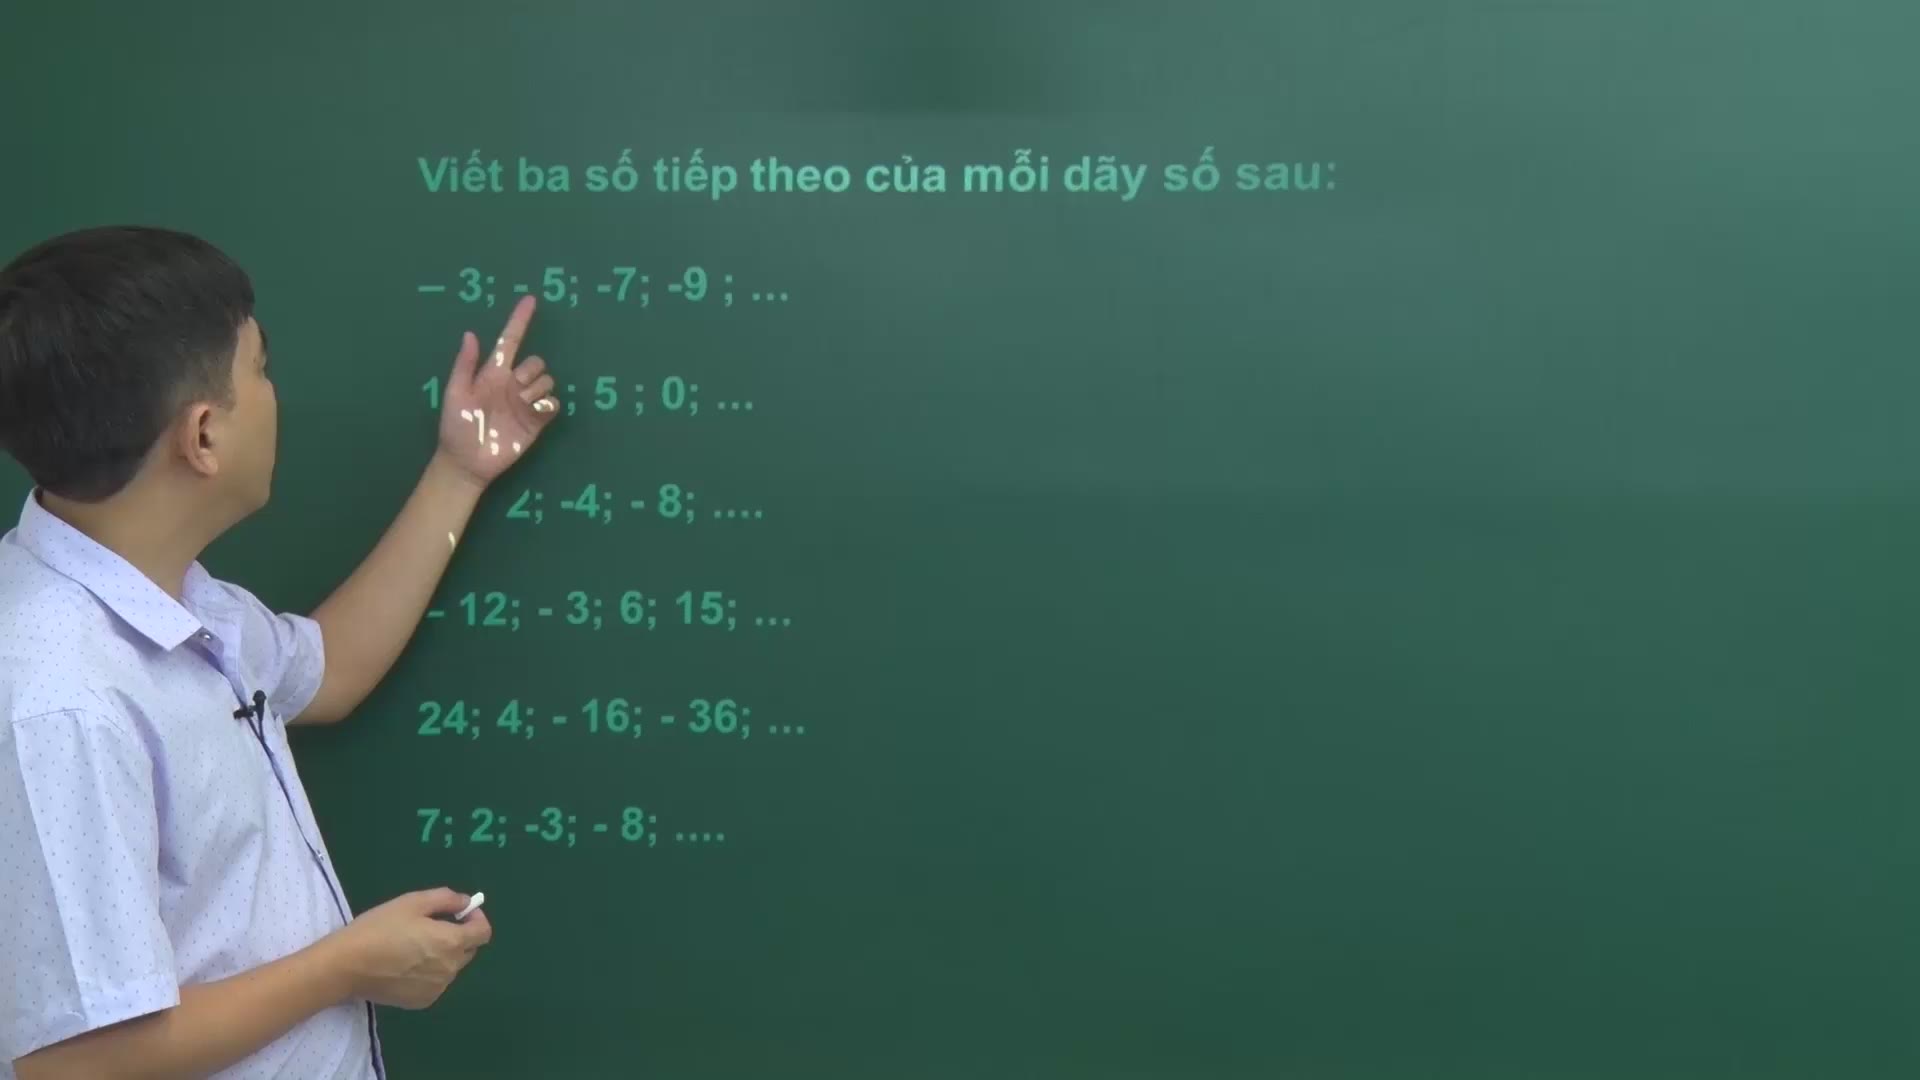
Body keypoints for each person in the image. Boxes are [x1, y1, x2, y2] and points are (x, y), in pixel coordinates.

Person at [0, 225, 563, 1079]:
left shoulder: (167, 593)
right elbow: (75, 1063)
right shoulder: (61, 696)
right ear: (203, 437)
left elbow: (330, 669)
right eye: (259, 370)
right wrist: (346, 966)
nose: (274, 394)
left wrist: (460, 471)